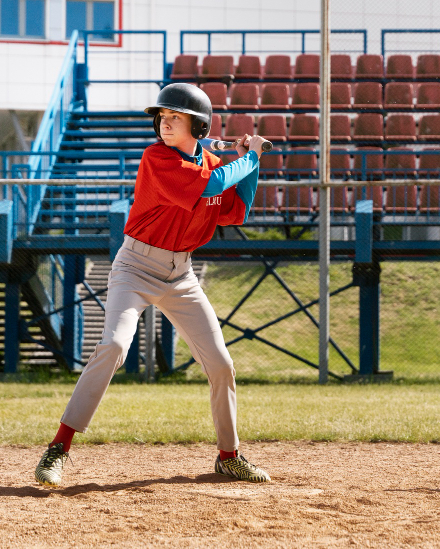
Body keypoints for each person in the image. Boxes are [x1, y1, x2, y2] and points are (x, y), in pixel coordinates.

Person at [34, 83, 271, 487]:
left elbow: (237, 211)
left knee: (221, 364)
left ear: (199, 126)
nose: (164, 123)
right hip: (135, 267)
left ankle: (229, 456)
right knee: (113, 345)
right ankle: (58, 449)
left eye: (175, 118)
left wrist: (252, 163)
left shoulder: (215, 163)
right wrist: (247, 157)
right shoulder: (157, 158)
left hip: (182, 276)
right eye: (162, 117)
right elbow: (212, 187)